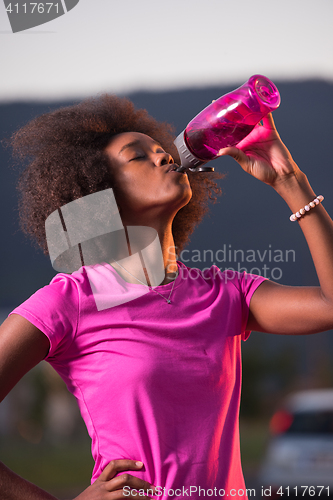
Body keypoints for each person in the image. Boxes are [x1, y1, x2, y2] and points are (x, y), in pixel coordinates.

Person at [1, 94, 333, 500]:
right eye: (137, 157)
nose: (164, 158)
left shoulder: (227, 293)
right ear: (101, 197)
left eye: (161, 151)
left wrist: (290, 181)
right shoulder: (69, 302)